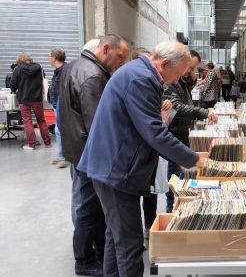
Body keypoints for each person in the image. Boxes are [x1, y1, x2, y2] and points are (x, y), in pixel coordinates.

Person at [77, 41, 205, 277]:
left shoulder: (140, 73)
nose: (177, 81)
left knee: (116, 237)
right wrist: (193, 158)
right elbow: (154, 132)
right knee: (129, 244)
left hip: (113, 166)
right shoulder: (141, 79)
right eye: (177, 74)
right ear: (164, 63)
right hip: (116, 169)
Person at [59, 34, 129, 276]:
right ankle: (85, 261)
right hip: (88, 154)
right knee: (89, 209)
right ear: (106, 48)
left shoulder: (75, 66)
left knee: (89, 207)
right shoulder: (93, 76)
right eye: (120, 57)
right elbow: (99, 124)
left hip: (76, 149)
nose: (121, 63)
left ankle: (95, 254)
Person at [162, 49, 218, 212]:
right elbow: (176, 107)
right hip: (172, 133)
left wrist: (193, 81)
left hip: (180, 132)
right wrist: (204, 112)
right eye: (190, 68)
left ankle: (174, 208)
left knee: (179, 176)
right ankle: (171, 211)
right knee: (175, 178)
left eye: (194, 69)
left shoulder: (182, 81)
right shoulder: (171, 81)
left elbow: (182, 99)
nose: (191, 72)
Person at [131, 46, 161, 239]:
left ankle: (150, 225)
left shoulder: (151, 82)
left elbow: (157, 122)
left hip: (150, 151)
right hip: (135, 155)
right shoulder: (139, 82)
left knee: (152, 192)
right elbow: (152, 128)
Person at [9, 52, 51, 150]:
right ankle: (48, 143)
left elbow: (13, 85)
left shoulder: (17, 69)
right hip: (37, 98)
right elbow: (43, 79)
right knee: (41, 120)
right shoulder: (39, 67)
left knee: (27, 121)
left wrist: (13, 90)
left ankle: (32, 145)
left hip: (24, 99)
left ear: (19, 60)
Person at [47, 47, 69, 168]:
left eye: (49, 56)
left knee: (61, 130)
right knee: (58, 130)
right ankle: (61, 156)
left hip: (62, 105)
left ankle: (65, 157)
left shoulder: (64, 71)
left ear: (54, 58)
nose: (48, 58)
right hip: (57, 105)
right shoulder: (59, 70)